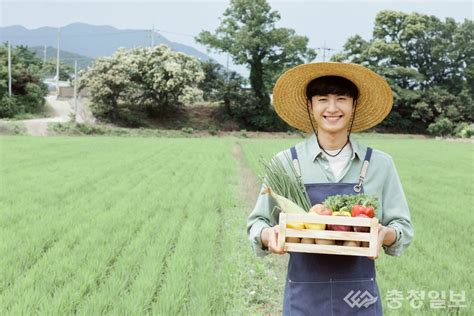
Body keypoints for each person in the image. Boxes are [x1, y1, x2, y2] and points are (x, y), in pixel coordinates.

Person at [247, 62, 414, 315]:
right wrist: (268, 235)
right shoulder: (285, 163)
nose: (332, 108)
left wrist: (384, 234)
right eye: (323, 99)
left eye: (342, 99)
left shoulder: (380, 164)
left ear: (354, 105)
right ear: (310, 106)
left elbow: (402, 227)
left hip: (359, 298)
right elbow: (257, 222)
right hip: (304, 297)